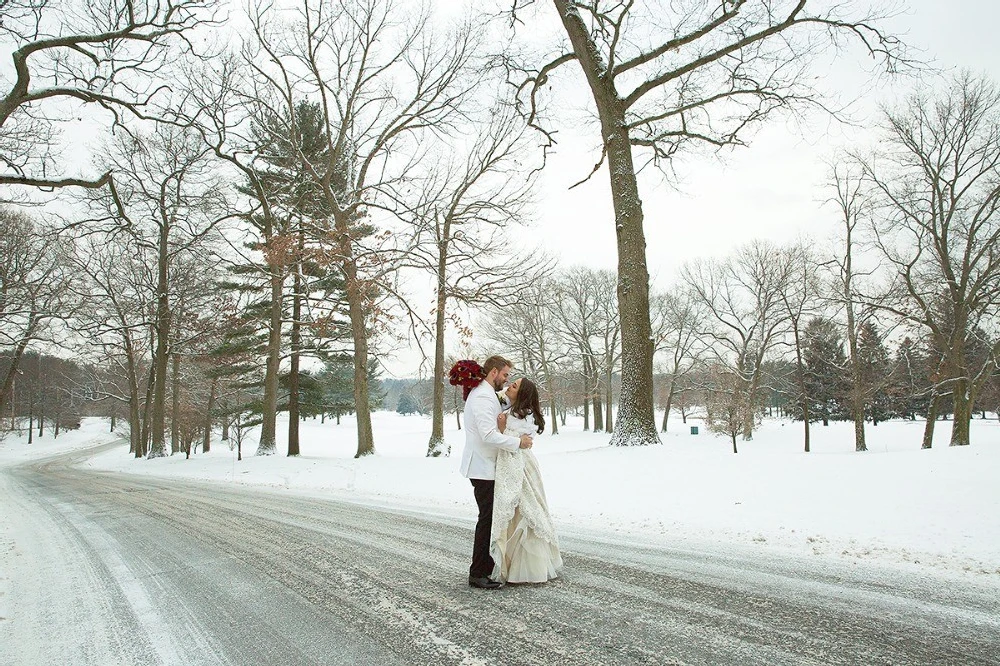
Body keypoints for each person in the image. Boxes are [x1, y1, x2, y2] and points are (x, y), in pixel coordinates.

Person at [457, 356, 534, 590]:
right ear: (493, 372)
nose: (506, 379)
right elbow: (488, 435)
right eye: (505, 374)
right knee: (487, 520)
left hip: (487, 465)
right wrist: (517, 442)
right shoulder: (482, 396)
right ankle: (478, 573)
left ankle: (483, 569)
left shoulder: (488, 394)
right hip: (482, 467)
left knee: (490, 519)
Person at [491, 377, 563, 584]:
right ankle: (512, 561)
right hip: (513, 461)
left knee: (526, 506)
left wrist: (503, 428)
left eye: (514, 386)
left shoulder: (521, 415)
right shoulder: (513, 409)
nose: (509, 386)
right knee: (516, 510)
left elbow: (519, 440)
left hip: (519, 463)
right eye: (511, 383)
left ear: (521, 394)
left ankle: (529, 564)